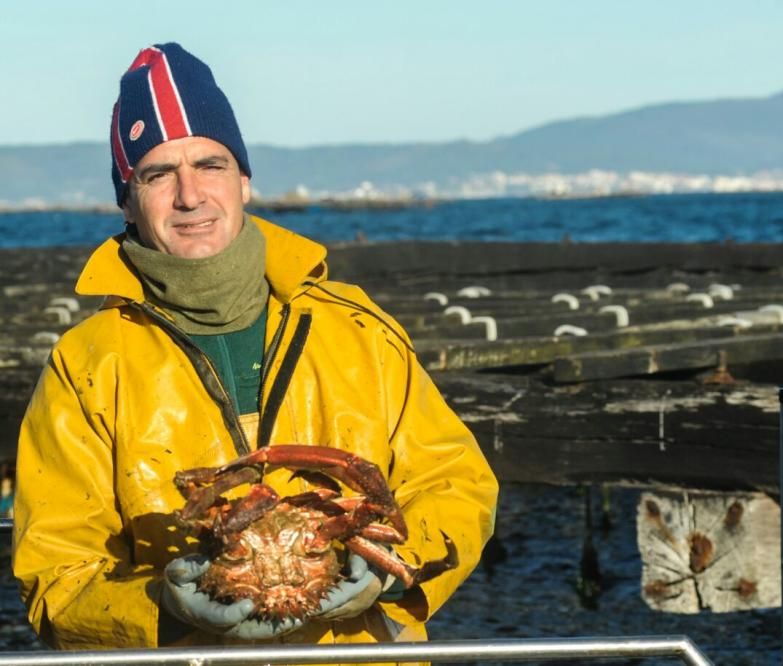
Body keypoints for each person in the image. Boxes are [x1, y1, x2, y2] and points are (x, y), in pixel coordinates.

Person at [12, 42, 499, 653]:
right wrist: (161, 608)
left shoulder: (357, 330)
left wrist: (389, 574)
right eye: (158, 174)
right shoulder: (86, 365)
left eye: (210, 165)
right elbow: (56, 571)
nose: (190, 195)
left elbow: (457, 484)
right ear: (128, 200)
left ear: (243, 179)